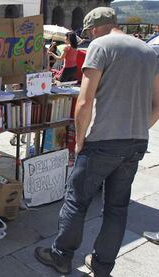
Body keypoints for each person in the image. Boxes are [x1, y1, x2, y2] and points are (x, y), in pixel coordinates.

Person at [34, 7, 159, 277]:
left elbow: (85, 101)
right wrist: (137, 129)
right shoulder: (149, 52)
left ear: (94, 29)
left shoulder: (100, 46)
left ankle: (61, 256)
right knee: (117, 208)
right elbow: (158, 105)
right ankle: (102, 267)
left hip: (103, 140)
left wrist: (80, 141)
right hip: (136, 141)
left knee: (76, 200)